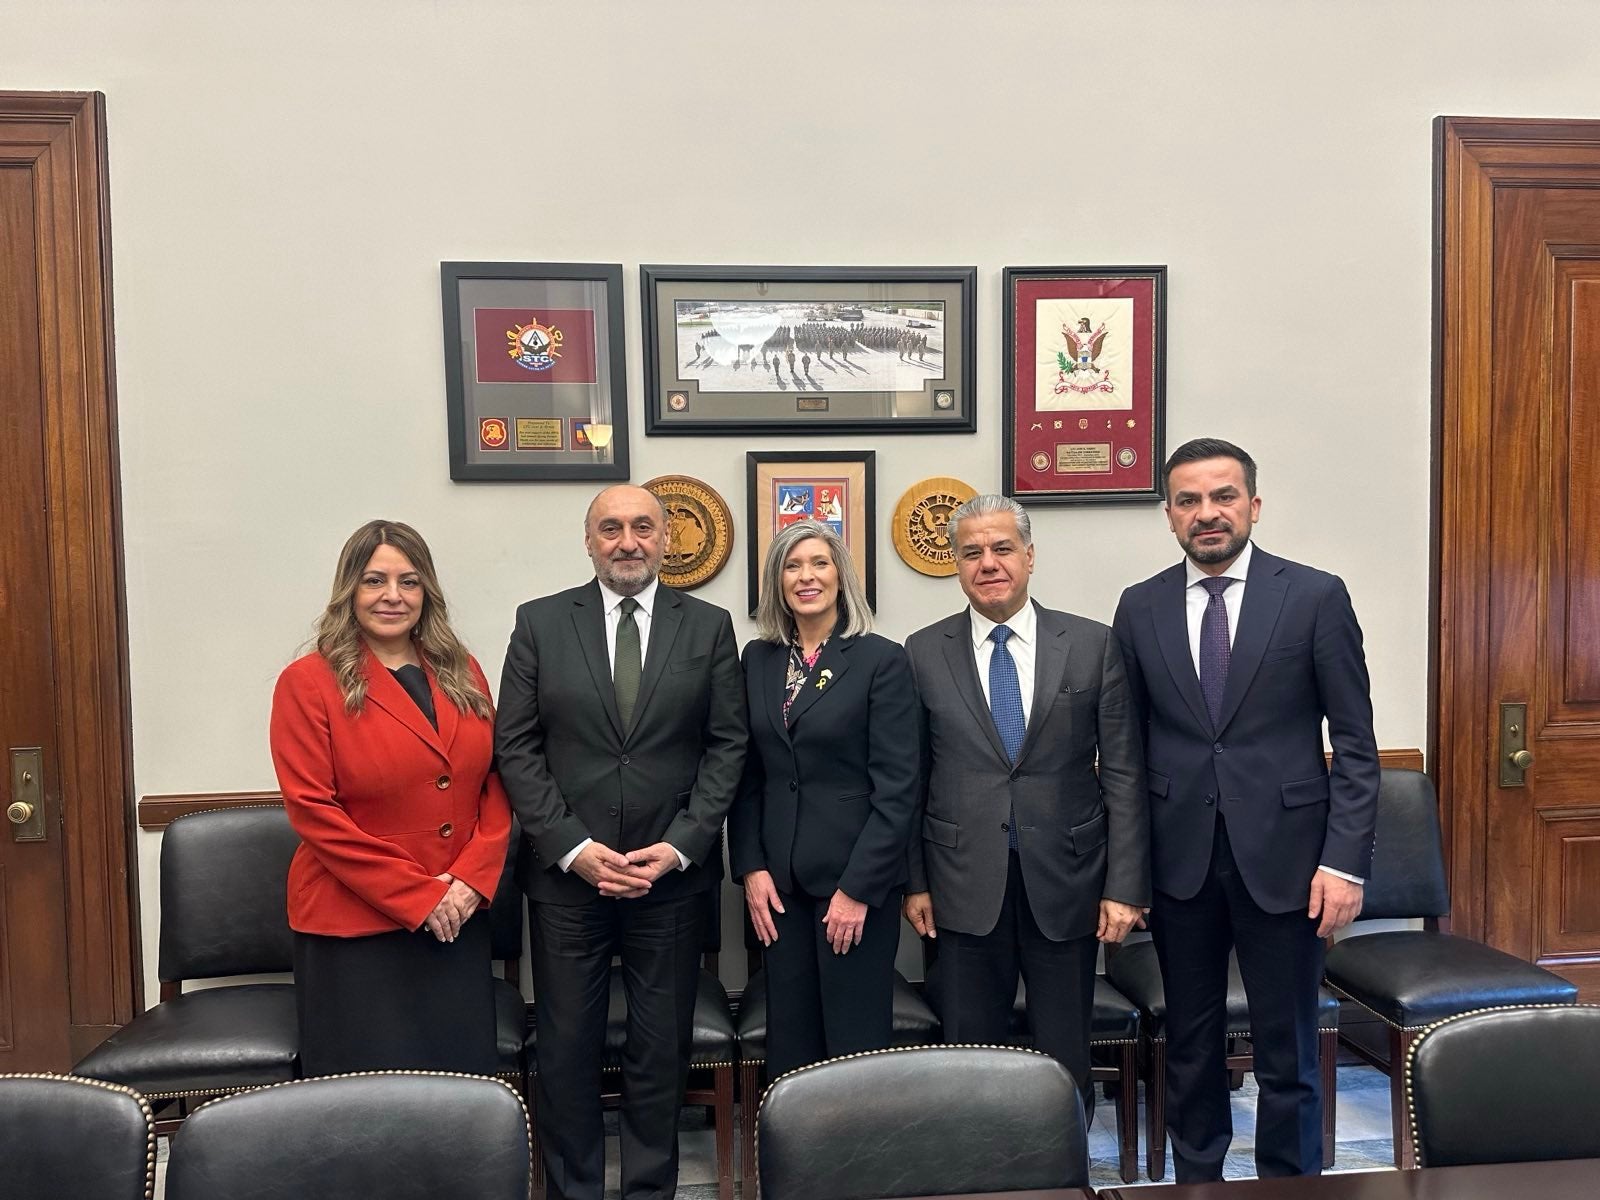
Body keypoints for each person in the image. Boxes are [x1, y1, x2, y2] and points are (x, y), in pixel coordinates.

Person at [1112, 438, 1378, 1181]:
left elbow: (1356, 745)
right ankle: (1197, 1182)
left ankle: (1291, 1187)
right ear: (1169, 516)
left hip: (1291, 863)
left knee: (1287, 1045)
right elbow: (1127, 753)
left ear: (1253, 506)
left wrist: (1343, 862)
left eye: (1223, 496)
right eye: (1189, 501)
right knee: (1191, 1044)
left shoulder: (1316, 596)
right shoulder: (1140, 607)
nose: (1208, 514)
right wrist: (1128, 875)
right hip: (1181, 861)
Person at [495, 485, 746, 1200]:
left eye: (642, 527)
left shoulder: (708, 626)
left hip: (668, 881)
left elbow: (728, 747)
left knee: (658, 1051)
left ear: (667, 539)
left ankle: (648, 1190)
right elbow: (515, 747)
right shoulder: (541, 622)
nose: (627, 541)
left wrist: (679, 846)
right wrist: (573, 846)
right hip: (568, 881)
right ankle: (574, 1190)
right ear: (589, 540)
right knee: (568, 1048)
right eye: (612, 528)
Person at [903, 494, 1148, 1118]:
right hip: (960, 881)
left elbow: (1123, 772)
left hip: (1066, 878)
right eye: (972, 552)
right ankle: (981, 1166)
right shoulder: (922, 651)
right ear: (956, 566)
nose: (989, 563)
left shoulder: (1092, 644)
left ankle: (1063, 1162)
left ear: (1030, 556)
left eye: (1002, 548)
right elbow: (911, 777)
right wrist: (915, 881)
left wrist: (1125, 886)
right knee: (969, 1047)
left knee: (1064, 1047)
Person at [269, 519, 512, 1077]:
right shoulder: (307, 683)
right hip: (355, 926)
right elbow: (313, 811)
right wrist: (418, 897)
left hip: (458, 915)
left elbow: (494, 782)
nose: (392, 597)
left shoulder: (464, 671)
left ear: (427, 591)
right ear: (349, 590)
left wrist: (473, 879)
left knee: (458, 1088)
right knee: (365, 1100)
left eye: (408, 581)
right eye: (375, 581)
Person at [730, 519, 919, 1081]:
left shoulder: (880, 660)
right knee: (792, 1043)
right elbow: (747, 777)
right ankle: (798, 1166)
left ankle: (858, 1168)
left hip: (854, 886)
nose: (806, 576)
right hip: (780, 887)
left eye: (819, 563)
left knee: (853, 1044)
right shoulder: (757, 661)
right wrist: (751, 869)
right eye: (792, 565)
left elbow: (898, 789)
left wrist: (858, 890)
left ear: (841, 577)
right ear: (776, 581)